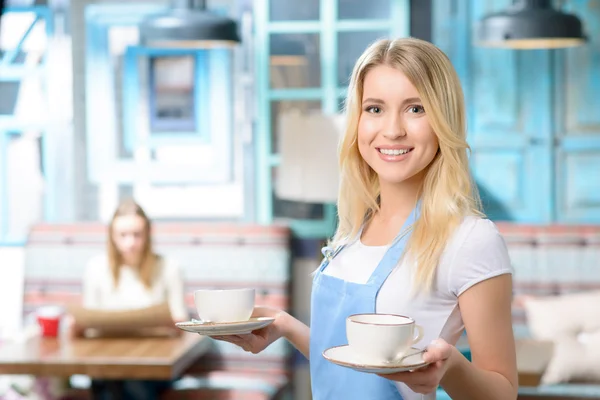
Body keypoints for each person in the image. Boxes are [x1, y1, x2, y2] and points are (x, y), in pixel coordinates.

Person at [213, 37, 518, 400]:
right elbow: (358, 366)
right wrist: (285, 326)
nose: (392, 130)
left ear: (443, 120)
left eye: (415, 109)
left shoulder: (470, 239)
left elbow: (503, 392)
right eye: (374, 109)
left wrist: (450, 367)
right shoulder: (352, 232)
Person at [70, 198, 189, 400]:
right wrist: (77, 327)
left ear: (148, 234)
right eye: (123, 235)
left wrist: (171, 324)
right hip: (106, 361)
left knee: (132, 383)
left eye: (137, 235)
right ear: (112, 237)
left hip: (154, 365)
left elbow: (181, 322)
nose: (130, 243)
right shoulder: (96, 268)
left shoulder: (169, 268)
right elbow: (88, 319)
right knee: (108, 379)